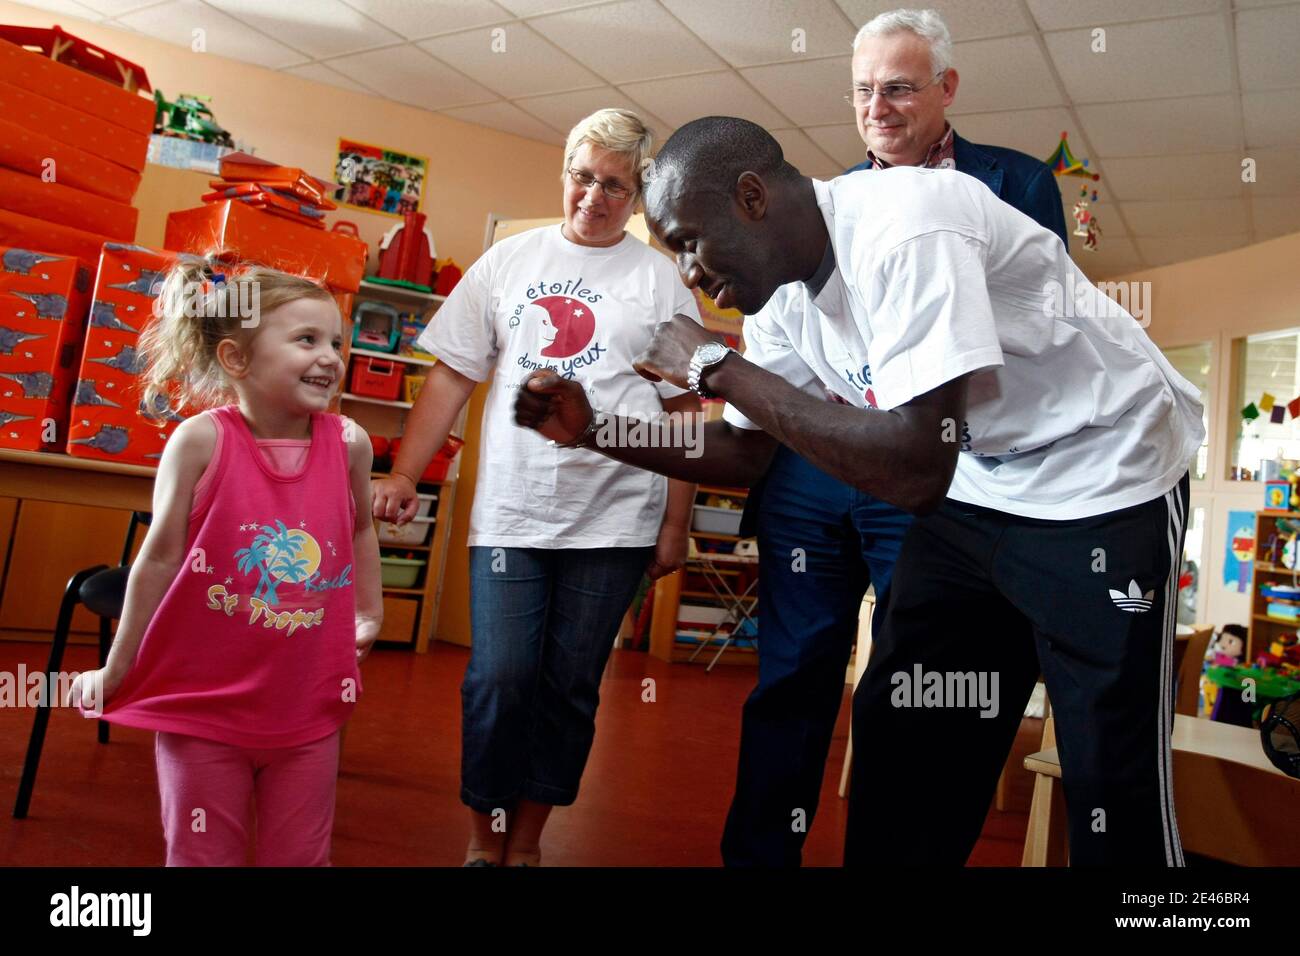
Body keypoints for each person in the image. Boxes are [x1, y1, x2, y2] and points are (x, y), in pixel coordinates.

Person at [514, 116, 1205, 866]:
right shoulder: (779, 298)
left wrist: (715, 367)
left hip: (1104, 479)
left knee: (1109, 771)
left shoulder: (908, 226)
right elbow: (748, 451)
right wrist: (595, 432)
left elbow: (915, 465)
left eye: (687, 241)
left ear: (751, 197)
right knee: (908, 725)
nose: (688, 274)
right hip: (978, 487)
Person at [722, 6, 1072, 867]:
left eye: (900, 88)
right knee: (792, 677)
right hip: (812, 474)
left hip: (926, 472)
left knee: (906, 684)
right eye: (863, 90)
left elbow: (1037, 330)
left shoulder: (1017, 183)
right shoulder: (823, 205)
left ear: (947, 89)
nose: (878, 106)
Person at [371, 108, 702, 867]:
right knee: (500, 677)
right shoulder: (507, 263)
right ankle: (481, 840)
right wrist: (403, 471)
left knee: (570, 686)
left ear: (640, 195)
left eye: (616, 185)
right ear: (565, 172)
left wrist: (674, 524)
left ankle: (526, 844)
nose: (594, 196)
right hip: (512, 515)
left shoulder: (661, 282)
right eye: (583, 176)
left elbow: (686, 409)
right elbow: (453, 375)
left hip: (617, 519)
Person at [67, 256, 382, 866]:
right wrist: (116, 669)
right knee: (202, 855)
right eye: (306, 340)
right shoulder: (200, 441)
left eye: (337, 342)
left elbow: (362, 529)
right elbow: (155, 562)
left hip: (307, 707)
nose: (330, 357)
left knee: (301, 858)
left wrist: (368, 612)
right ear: (237, 359)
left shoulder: (349, 443)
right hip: (200, 707)